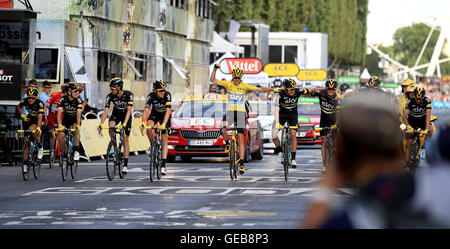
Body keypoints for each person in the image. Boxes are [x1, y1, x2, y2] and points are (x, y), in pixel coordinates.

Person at [301, 92, 405, 229]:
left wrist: (324, 191)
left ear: (343, 152)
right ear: (396, 148)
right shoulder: (430, 198)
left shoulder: (353, 220)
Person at [210, 64, 274, 174]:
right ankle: (228, 144)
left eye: (238, 78)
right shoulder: (228, 84)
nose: (236, 79)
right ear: (233, 77)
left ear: (241, 78)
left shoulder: (244, 86)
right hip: (230, 112)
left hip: (240, 114)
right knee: (223, 128)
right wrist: (215, 69)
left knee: (240, 139)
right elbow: (213, 80)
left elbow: (260, 89)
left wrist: (274, 89)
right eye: (235, 77)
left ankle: (242, 164)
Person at [98, 78, 134, 174]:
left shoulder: (128, 95)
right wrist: (101, 124)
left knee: (125, 139)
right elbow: (106, 110)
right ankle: (114, 145)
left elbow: (129, 111)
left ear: (118, 88)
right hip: (116, 115)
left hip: (126, 116)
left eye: (112, 89)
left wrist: (125, 124)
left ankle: (125, 165)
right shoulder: (110, 96)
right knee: (111, 126)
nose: (111, 90)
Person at [304, 79, 339, 171]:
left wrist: (336, 124)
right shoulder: (321, 93)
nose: (330, 91)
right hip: (324, 120)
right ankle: (324, 163)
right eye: (329, 89)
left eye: (333, 89)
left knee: (336, 142)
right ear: (326, 88)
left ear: (335, 90)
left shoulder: (338, 98)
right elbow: (309, 92)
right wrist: (321, 88)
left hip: (334, 120)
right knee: (323, 141)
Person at [272, 78, 308, 168]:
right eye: (290, 89)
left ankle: (293, 159)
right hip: (281, 115)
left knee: (293, 134)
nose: (292, 91)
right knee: (274, 135)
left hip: (292, 115)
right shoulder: (280, 94)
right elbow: (276, 108)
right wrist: (277, 122)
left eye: (293, 89)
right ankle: (280, 151)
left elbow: (311, 91)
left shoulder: (297, 91)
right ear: (285, 88)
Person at [140, 80, 172, 176]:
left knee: (164, 139)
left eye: (164, 90)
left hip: (164, 116)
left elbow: (168, 111)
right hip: (155, 114)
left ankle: (163, 166)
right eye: (161, 90)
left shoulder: (167, 95)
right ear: (155, 91)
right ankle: (151, 144)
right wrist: (142, 122)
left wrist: (164, 124)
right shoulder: (151, 96)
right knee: (149, 127)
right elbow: (146, 109)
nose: (163, 92)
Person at [403, 86, 432, 165]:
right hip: (412, 121)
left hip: (422, 120)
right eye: (416, 99)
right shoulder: (410, 101)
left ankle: (429, 147)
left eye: (420, 99)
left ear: (423, 97)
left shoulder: (427, 101)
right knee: (409, 142)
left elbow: (428, 117)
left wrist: (426, 130)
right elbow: (404, 116)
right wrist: (408, 126)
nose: (418, 100)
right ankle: (406, 163)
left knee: (430, 129)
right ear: (414, 96)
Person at [16, 87, 45, 163]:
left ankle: (39, 146)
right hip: (30, 118)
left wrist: (38, 127)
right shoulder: (25, 101)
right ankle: (25, 161)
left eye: (33, 98)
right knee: (26, 140)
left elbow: (40, 117)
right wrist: (22, 115)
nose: (30, 99)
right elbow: (19, 106)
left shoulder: (39, 103)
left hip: (39, 119)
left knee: (32, 130)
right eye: (29, 98)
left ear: (36, 97)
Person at [57, 82, 82, 161]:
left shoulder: (78, 100)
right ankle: (64, 153)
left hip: (75, 119)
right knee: (61, 135)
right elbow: (59, 114)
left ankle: (77, 150)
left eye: (78, 91)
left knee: (76, 130)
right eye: (75, 91)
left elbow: (78, 114)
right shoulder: (63, 100)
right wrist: (59, 125)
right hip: (66, 119)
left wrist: (78, 125)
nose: (77, 93)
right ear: (69, 92)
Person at [46, 83, 67, 161]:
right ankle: (52, 150)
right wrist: (45, 116)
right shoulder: (55, 94)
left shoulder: (68, 97)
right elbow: (46, 105)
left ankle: (62, 152)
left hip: (61, 116)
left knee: (61, 134)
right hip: (52, 116)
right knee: (51, 134)